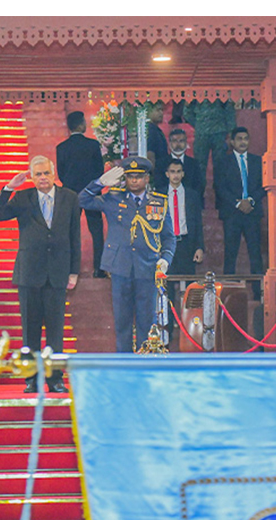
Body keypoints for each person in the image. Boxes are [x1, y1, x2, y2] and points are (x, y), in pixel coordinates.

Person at [0, 156, 80, 393]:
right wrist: (9, 188)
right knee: (30, 330)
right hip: (29, 273)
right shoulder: (23, 197)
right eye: (38, 174)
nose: (42, 178)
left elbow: (75, 236)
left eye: (46, 173)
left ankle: (55, 378)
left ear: (53, 174)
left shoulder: (69, 198)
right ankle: (31, 378)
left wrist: (74, 271)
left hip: (58, 272)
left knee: (55, 330)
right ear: (32, 177)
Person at [78, 156, 176, 352]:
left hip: (147, 268)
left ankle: (143, 364)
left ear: (147, 179)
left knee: (147, 322)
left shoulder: (158, 201)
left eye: (138, 177)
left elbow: (168, 237)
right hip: (120, 267)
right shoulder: (113, 198)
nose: (134, 181)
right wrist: (99, 183)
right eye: (130, 176)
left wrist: (165, 259)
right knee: (122, 322)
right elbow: (83, 200)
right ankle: (123, 364)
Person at [157, 158, 204, 343]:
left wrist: (200, 247)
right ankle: (165, 336)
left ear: (183, 173)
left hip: (186, 244)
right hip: (166, 247)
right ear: (167, 174)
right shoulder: (159, 195)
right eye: (172, 171)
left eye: (179, 171)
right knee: (166, 291)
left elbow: (198, 223)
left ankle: (189, 333)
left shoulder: (191, 195)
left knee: (188, 292)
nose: (176, 175)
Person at [214, 126, 265, 298]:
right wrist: (237, 204)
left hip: (252, 212)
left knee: (255, 254)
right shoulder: (223, 161)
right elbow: (220, 187)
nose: (243, 142)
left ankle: (258, 293)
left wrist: (250, 201)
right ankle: (229, 293)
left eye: (246, 138)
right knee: (231, 253)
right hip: (232, 214)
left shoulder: (257, 161)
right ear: (232, 142)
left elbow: (263, 186)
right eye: (239, 139)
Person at [55, 111, 107, 279]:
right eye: (84, 122)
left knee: (70, 231)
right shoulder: (92, 145)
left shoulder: (61, 148)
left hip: (70, 193)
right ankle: (99, 269)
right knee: (97, 231)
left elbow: (61, 174)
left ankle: (71, 269)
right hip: (92, 194)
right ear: (79, 125)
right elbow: (99, 170)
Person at [183, 99, 238, 184]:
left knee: (220, 166)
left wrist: (231, 132)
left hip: (219, 133)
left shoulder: (221, 90)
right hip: (203, 134)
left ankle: (220, 194)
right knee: (199, 167)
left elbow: (229, 110)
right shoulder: (197, 91)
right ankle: (198, 194)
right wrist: (199, 124)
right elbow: (187, 111)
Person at [153, 129, 204, 197]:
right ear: (169, 143)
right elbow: (159, 185)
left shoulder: (194, 164)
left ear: (186, 143)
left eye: (181, 141)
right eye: (174, 141)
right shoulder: (160, 164)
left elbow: (199, 185)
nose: (178, 144)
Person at [145, 102, 168, 168]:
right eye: (158, 110)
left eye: (162, 110)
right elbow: (150, 154)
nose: (161, 113)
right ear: (149, 111)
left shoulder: (155, 129)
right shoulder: (150, 130)